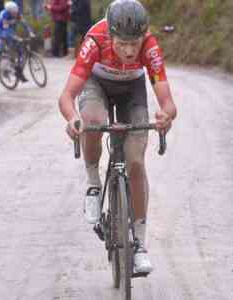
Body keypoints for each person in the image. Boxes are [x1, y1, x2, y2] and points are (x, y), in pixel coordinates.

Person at [58, 0, 177, 274]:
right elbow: (67, 96)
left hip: (131, 89)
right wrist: (72, 118)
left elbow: (167, 101)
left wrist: (165, 116)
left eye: (134, 44)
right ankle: (93, 183)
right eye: (122, 43)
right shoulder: (95, 40)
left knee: (136, 162)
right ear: (110, 35)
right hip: (96, 84)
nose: (128, 50)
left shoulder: (150, 46)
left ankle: (140, 245)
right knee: (94, 121)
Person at [0, 1, 35, 82]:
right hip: (1, 31)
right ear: (9, 11)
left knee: (20, 49)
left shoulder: (17, 12)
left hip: (11, 30)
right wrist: (15, 37)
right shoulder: (4, 15)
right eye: (13, 12)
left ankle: (18, 69)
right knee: (12, 46)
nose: (15, 14)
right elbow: (6, 30)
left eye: (16, 11)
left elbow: (25, 23)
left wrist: (30, 32)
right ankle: (10, 65)